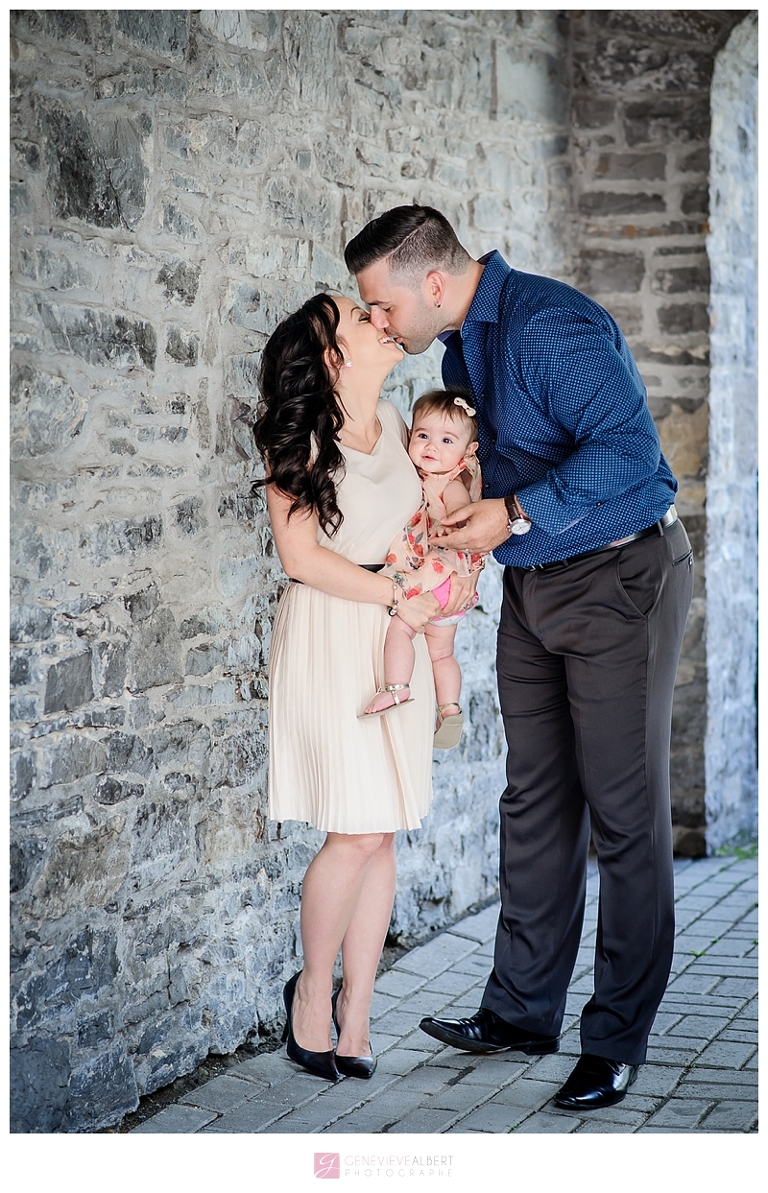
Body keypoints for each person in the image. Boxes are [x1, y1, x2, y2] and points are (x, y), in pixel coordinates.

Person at [344, 204, 694, 1111]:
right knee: (534, 799)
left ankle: (615, 1038)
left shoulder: (549, 324)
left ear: (431, 282)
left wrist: (514, 510)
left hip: (621, 576)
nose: (377, 323)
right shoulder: (462, 348)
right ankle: (520, 1012)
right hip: (532, 587)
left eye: (379, 305)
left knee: (623, 813)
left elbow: (633, 458)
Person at [254, 291, 442, 1082]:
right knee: (355, 830)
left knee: (385, 824)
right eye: (359, 317)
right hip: (337, 628)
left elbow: (425, 516)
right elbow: (301, 558)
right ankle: (309, 997)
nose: (380, 319)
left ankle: (357, 1008)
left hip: (398, 633)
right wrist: (396, 594)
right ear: (331, 356)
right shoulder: (299, 434)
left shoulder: (401, 421)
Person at [360, 388, 486, 749]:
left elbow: (460, 521)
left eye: (447, 440)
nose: (432, 446)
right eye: (423, 435)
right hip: (454, 592)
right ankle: (449, 710)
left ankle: (396, 689)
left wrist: (445, 515)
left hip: (438, 577)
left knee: (400, 627)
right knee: (441, 653)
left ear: (469, 452)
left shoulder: (453, 481)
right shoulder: (439, 471)